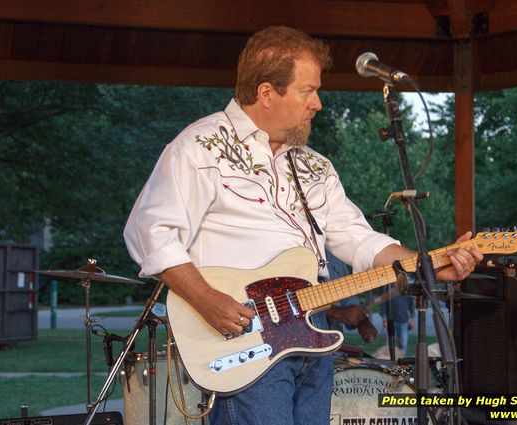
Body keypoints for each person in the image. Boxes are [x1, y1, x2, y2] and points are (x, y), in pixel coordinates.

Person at [123, 25, 482, 425]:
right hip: (247, 341)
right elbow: (150, 231)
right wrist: (207, 300)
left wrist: (429, 263)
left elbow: (359, 240)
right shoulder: (200, 148)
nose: (318, 104)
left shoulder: (315, 166)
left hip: (312, 339)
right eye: (307, 90)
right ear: (266, 92)